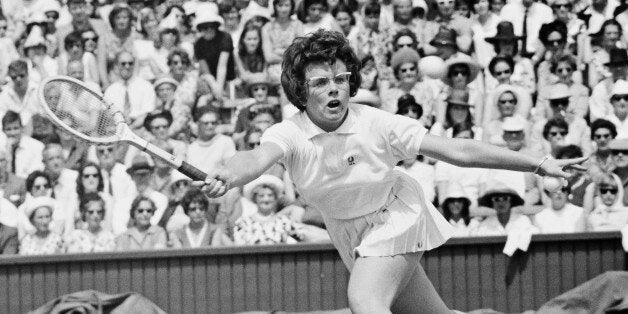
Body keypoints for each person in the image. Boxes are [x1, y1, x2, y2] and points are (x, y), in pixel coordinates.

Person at [200, 30, 586, 313]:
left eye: (341, 79)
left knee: (365, 300)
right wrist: (227, 176)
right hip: (347, 230)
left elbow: (459, 150)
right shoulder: (288, 132)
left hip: (394, 217)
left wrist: (538, 162)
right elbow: (252, 158)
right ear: (301, 92)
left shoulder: (378, 123)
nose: (334, 89)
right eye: (320, 82)